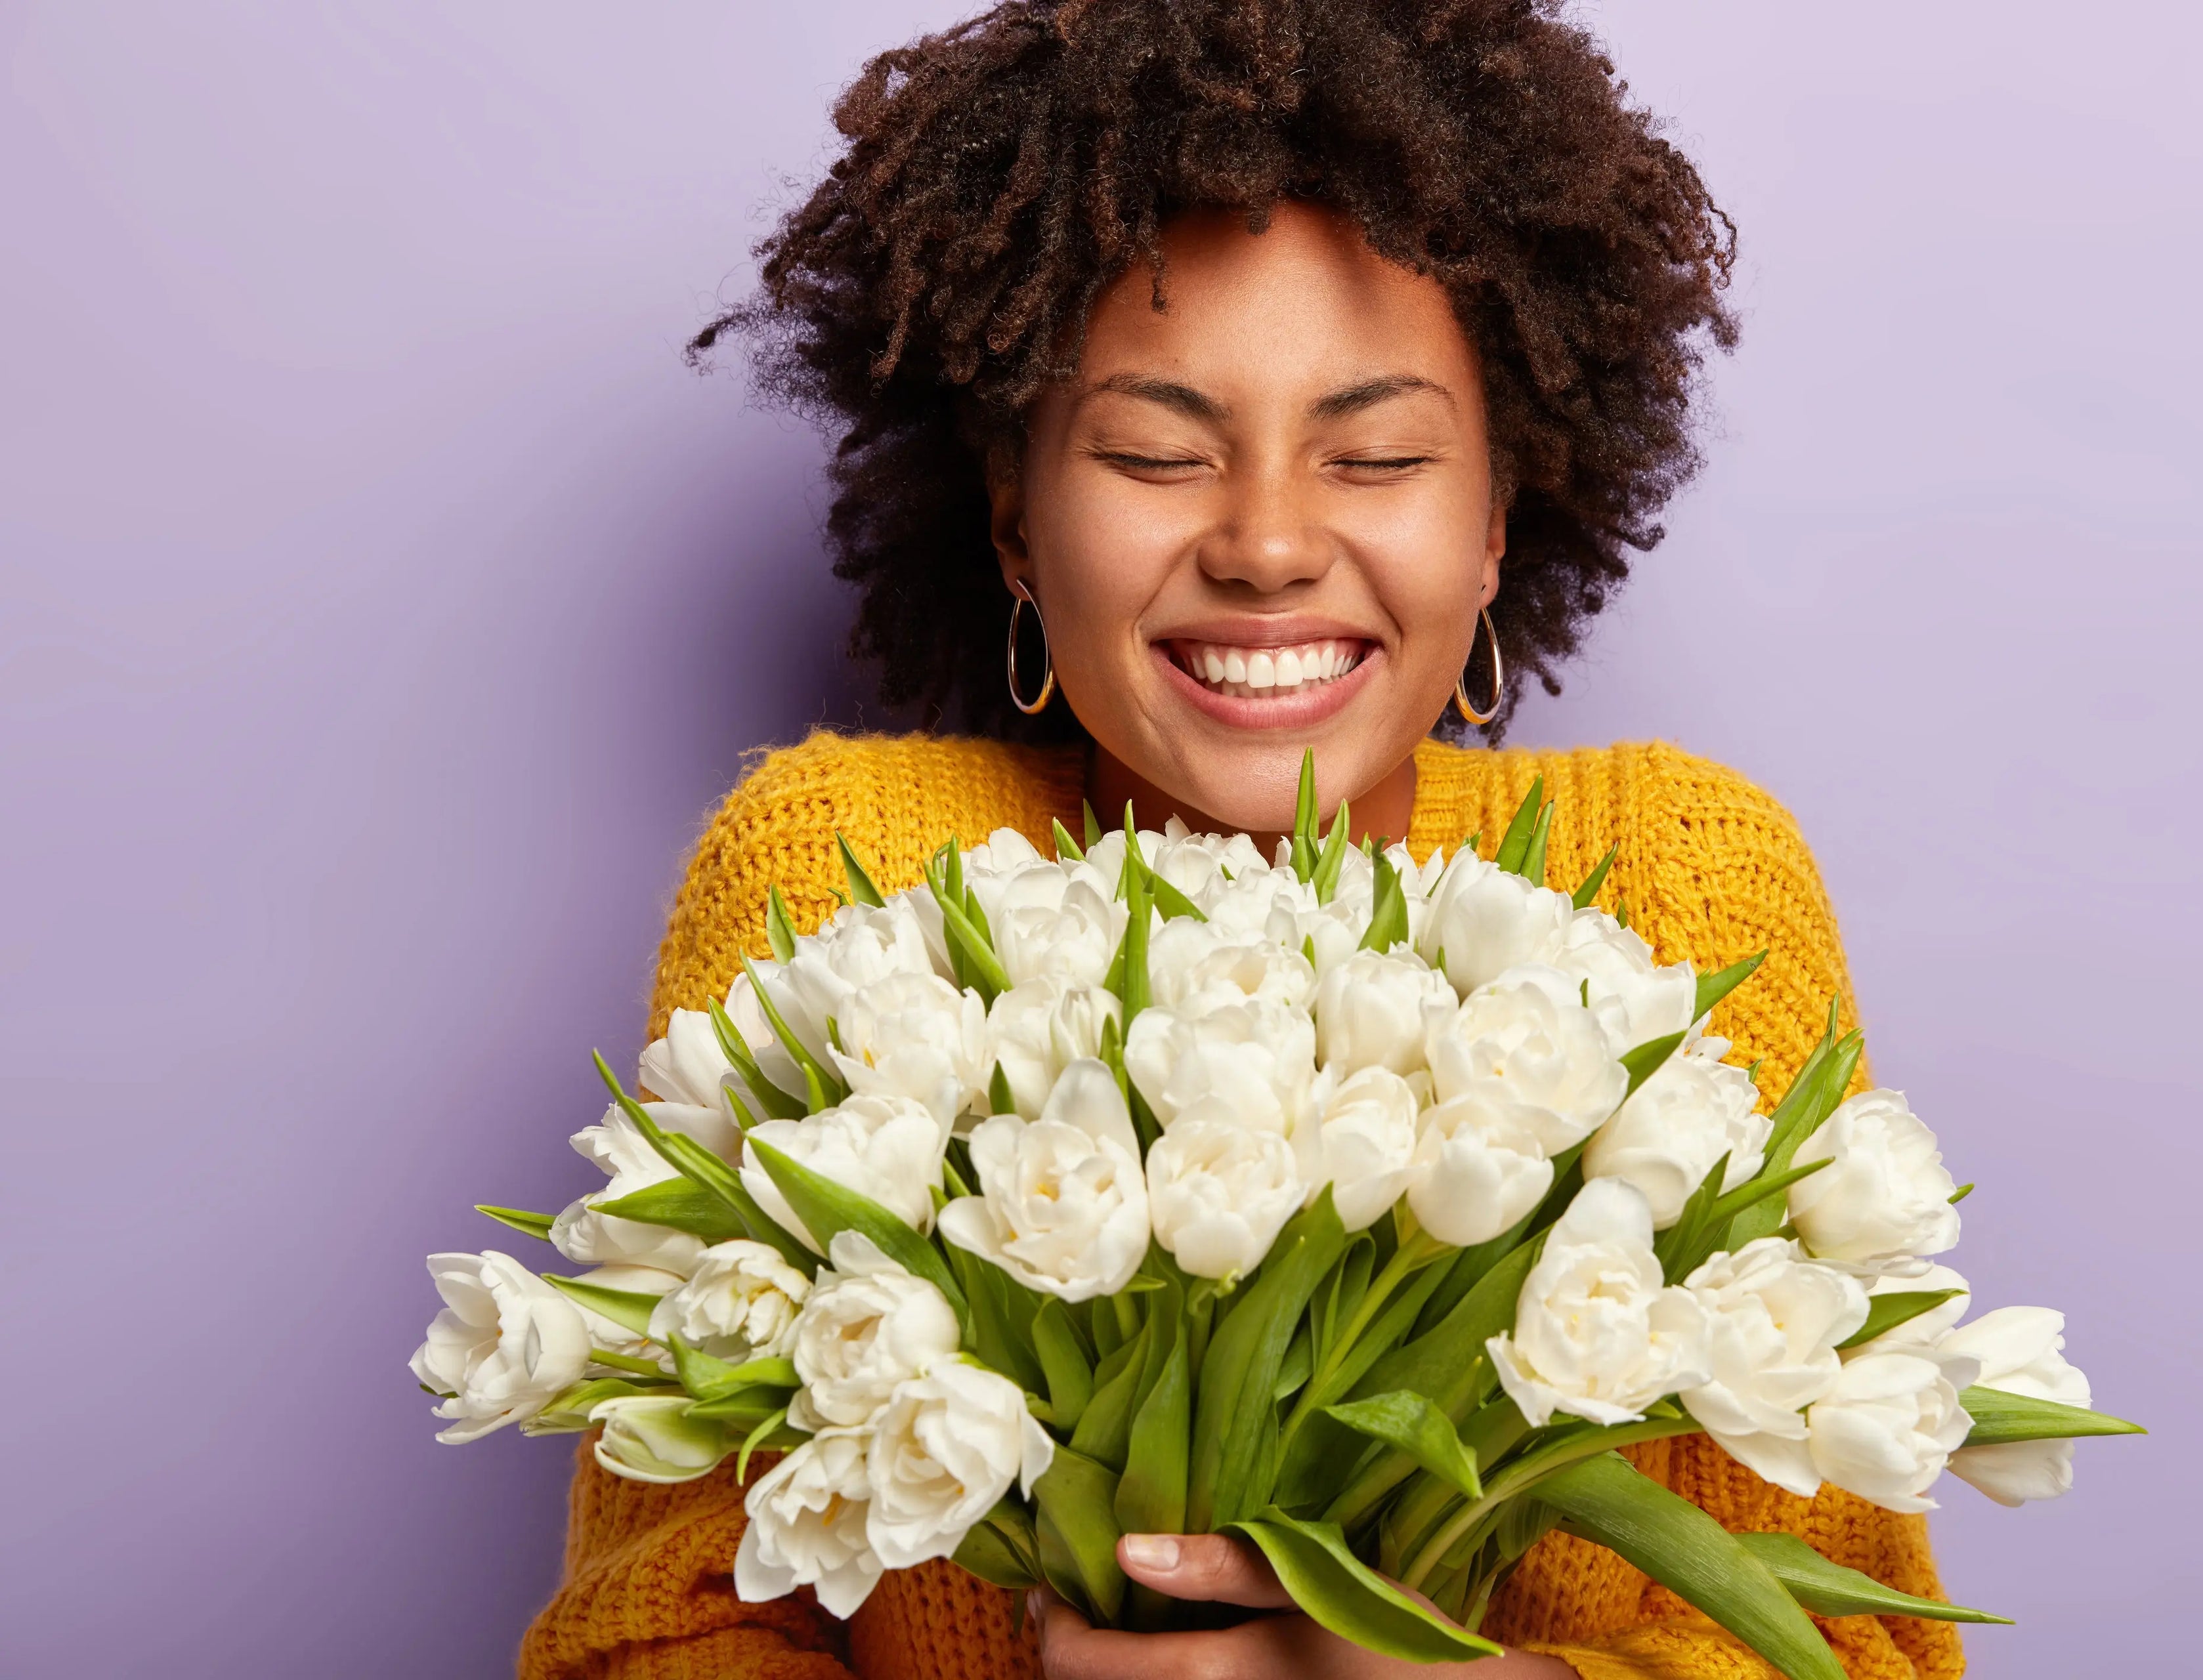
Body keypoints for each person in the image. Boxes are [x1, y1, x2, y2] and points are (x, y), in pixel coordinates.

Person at [521, 3, 1961, 1677]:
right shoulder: (834, 875)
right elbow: (647, 1636)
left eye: (1381, 455)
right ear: (1013, 517)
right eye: (1154, 452)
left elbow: (1865, 1644)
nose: (1269, 542)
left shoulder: (1690, 879)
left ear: (1497, 516)